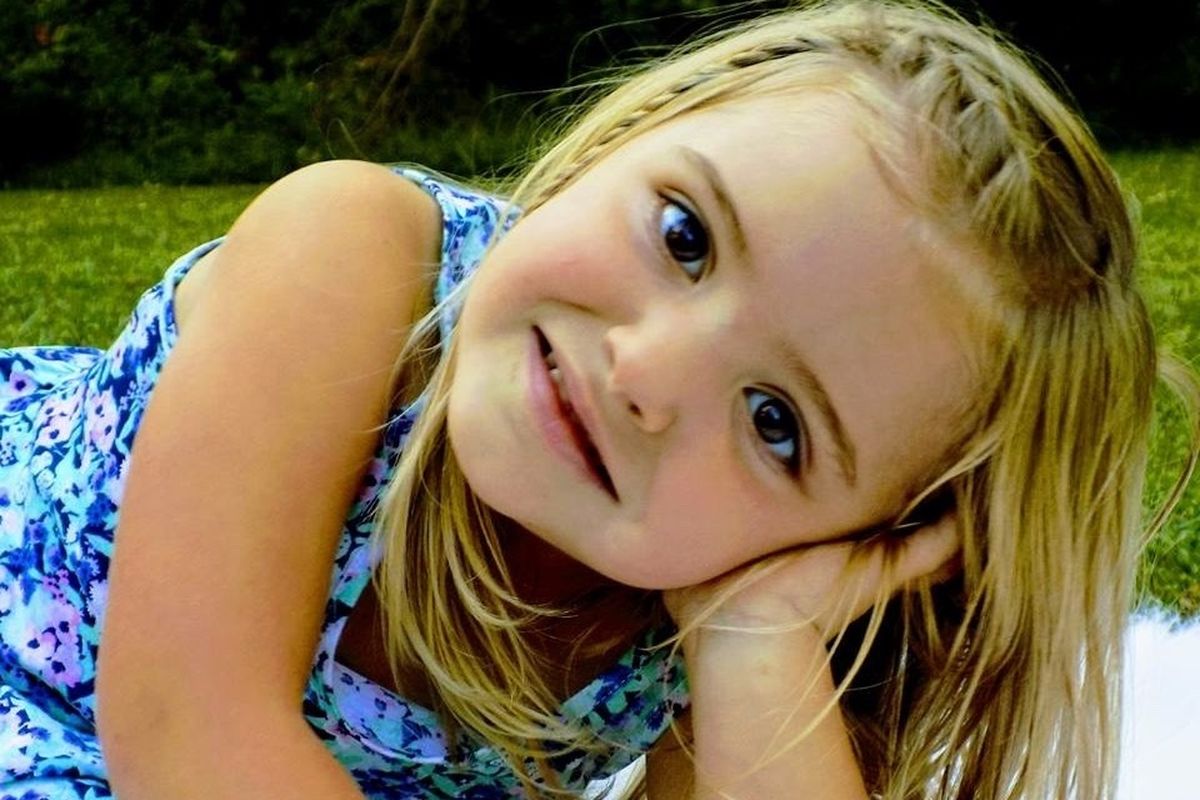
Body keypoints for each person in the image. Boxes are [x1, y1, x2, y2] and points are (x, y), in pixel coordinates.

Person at [1, 0, 1196, 797]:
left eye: (775, 423)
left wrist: (757, 647)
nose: (644, 373)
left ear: (874, 537)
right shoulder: (354, 255)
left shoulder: (727, 601)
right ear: (629, 139)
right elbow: (187, 729)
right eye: (684, 236)